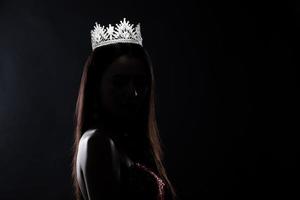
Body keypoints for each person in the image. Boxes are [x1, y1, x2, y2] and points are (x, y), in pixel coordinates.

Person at [71, 18, 176, 200]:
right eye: (119, 82)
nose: (133, 93)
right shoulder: (97, 142)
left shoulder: (128, 144)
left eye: (140, 83)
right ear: (97, 86)